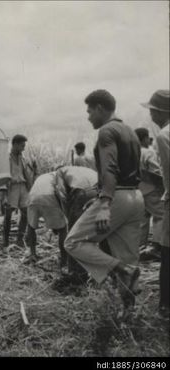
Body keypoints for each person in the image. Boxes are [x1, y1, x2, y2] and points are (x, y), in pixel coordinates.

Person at [64, 90, 144, 309]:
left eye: (90, 111)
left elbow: (110, 167)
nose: (88, 116)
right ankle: (128, 315)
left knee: (73, 242)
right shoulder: (130, 131)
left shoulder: (107, 131)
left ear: (100, 108)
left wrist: (105, 203)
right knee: (129, 258)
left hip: (116, 195)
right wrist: (101, 198)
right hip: (136, 197)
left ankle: (118, 268)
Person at [25, 166, 98, 283]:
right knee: (63, 229)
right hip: (50, 197)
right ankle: (64, 261)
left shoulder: (43, 176)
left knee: (31, 226)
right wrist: (64, 219)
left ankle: (32, 254)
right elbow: (61, 196)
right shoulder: (60, 175)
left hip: (32, 198)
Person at [141, 89, 169, 318]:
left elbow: (167, 174)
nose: (150, 114)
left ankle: (165, 307)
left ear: (160, 112)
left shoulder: (163, 136)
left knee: (167, 254)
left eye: (152, 109)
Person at [134, 128, 164, 259]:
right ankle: (156, 246)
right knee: (160, 216)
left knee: (143, 219)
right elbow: (156, 171)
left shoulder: (132, 153)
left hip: (137, 190)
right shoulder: (148, 152)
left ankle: (140, 247)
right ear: (145, 138)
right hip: (151, 189)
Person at [0, 134, 33, 249]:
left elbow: (26, 174)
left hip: (22, 187)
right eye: (22, 146)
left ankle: (20, 239)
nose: (23, 148)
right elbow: (3, 177)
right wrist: (3, 194)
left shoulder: (22, 158)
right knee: (8, 215)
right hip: (12, 187)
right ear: (15, 144)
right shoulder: (6, 158)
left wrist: (30, 187)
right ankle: (5, 241)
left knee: (26, 213)